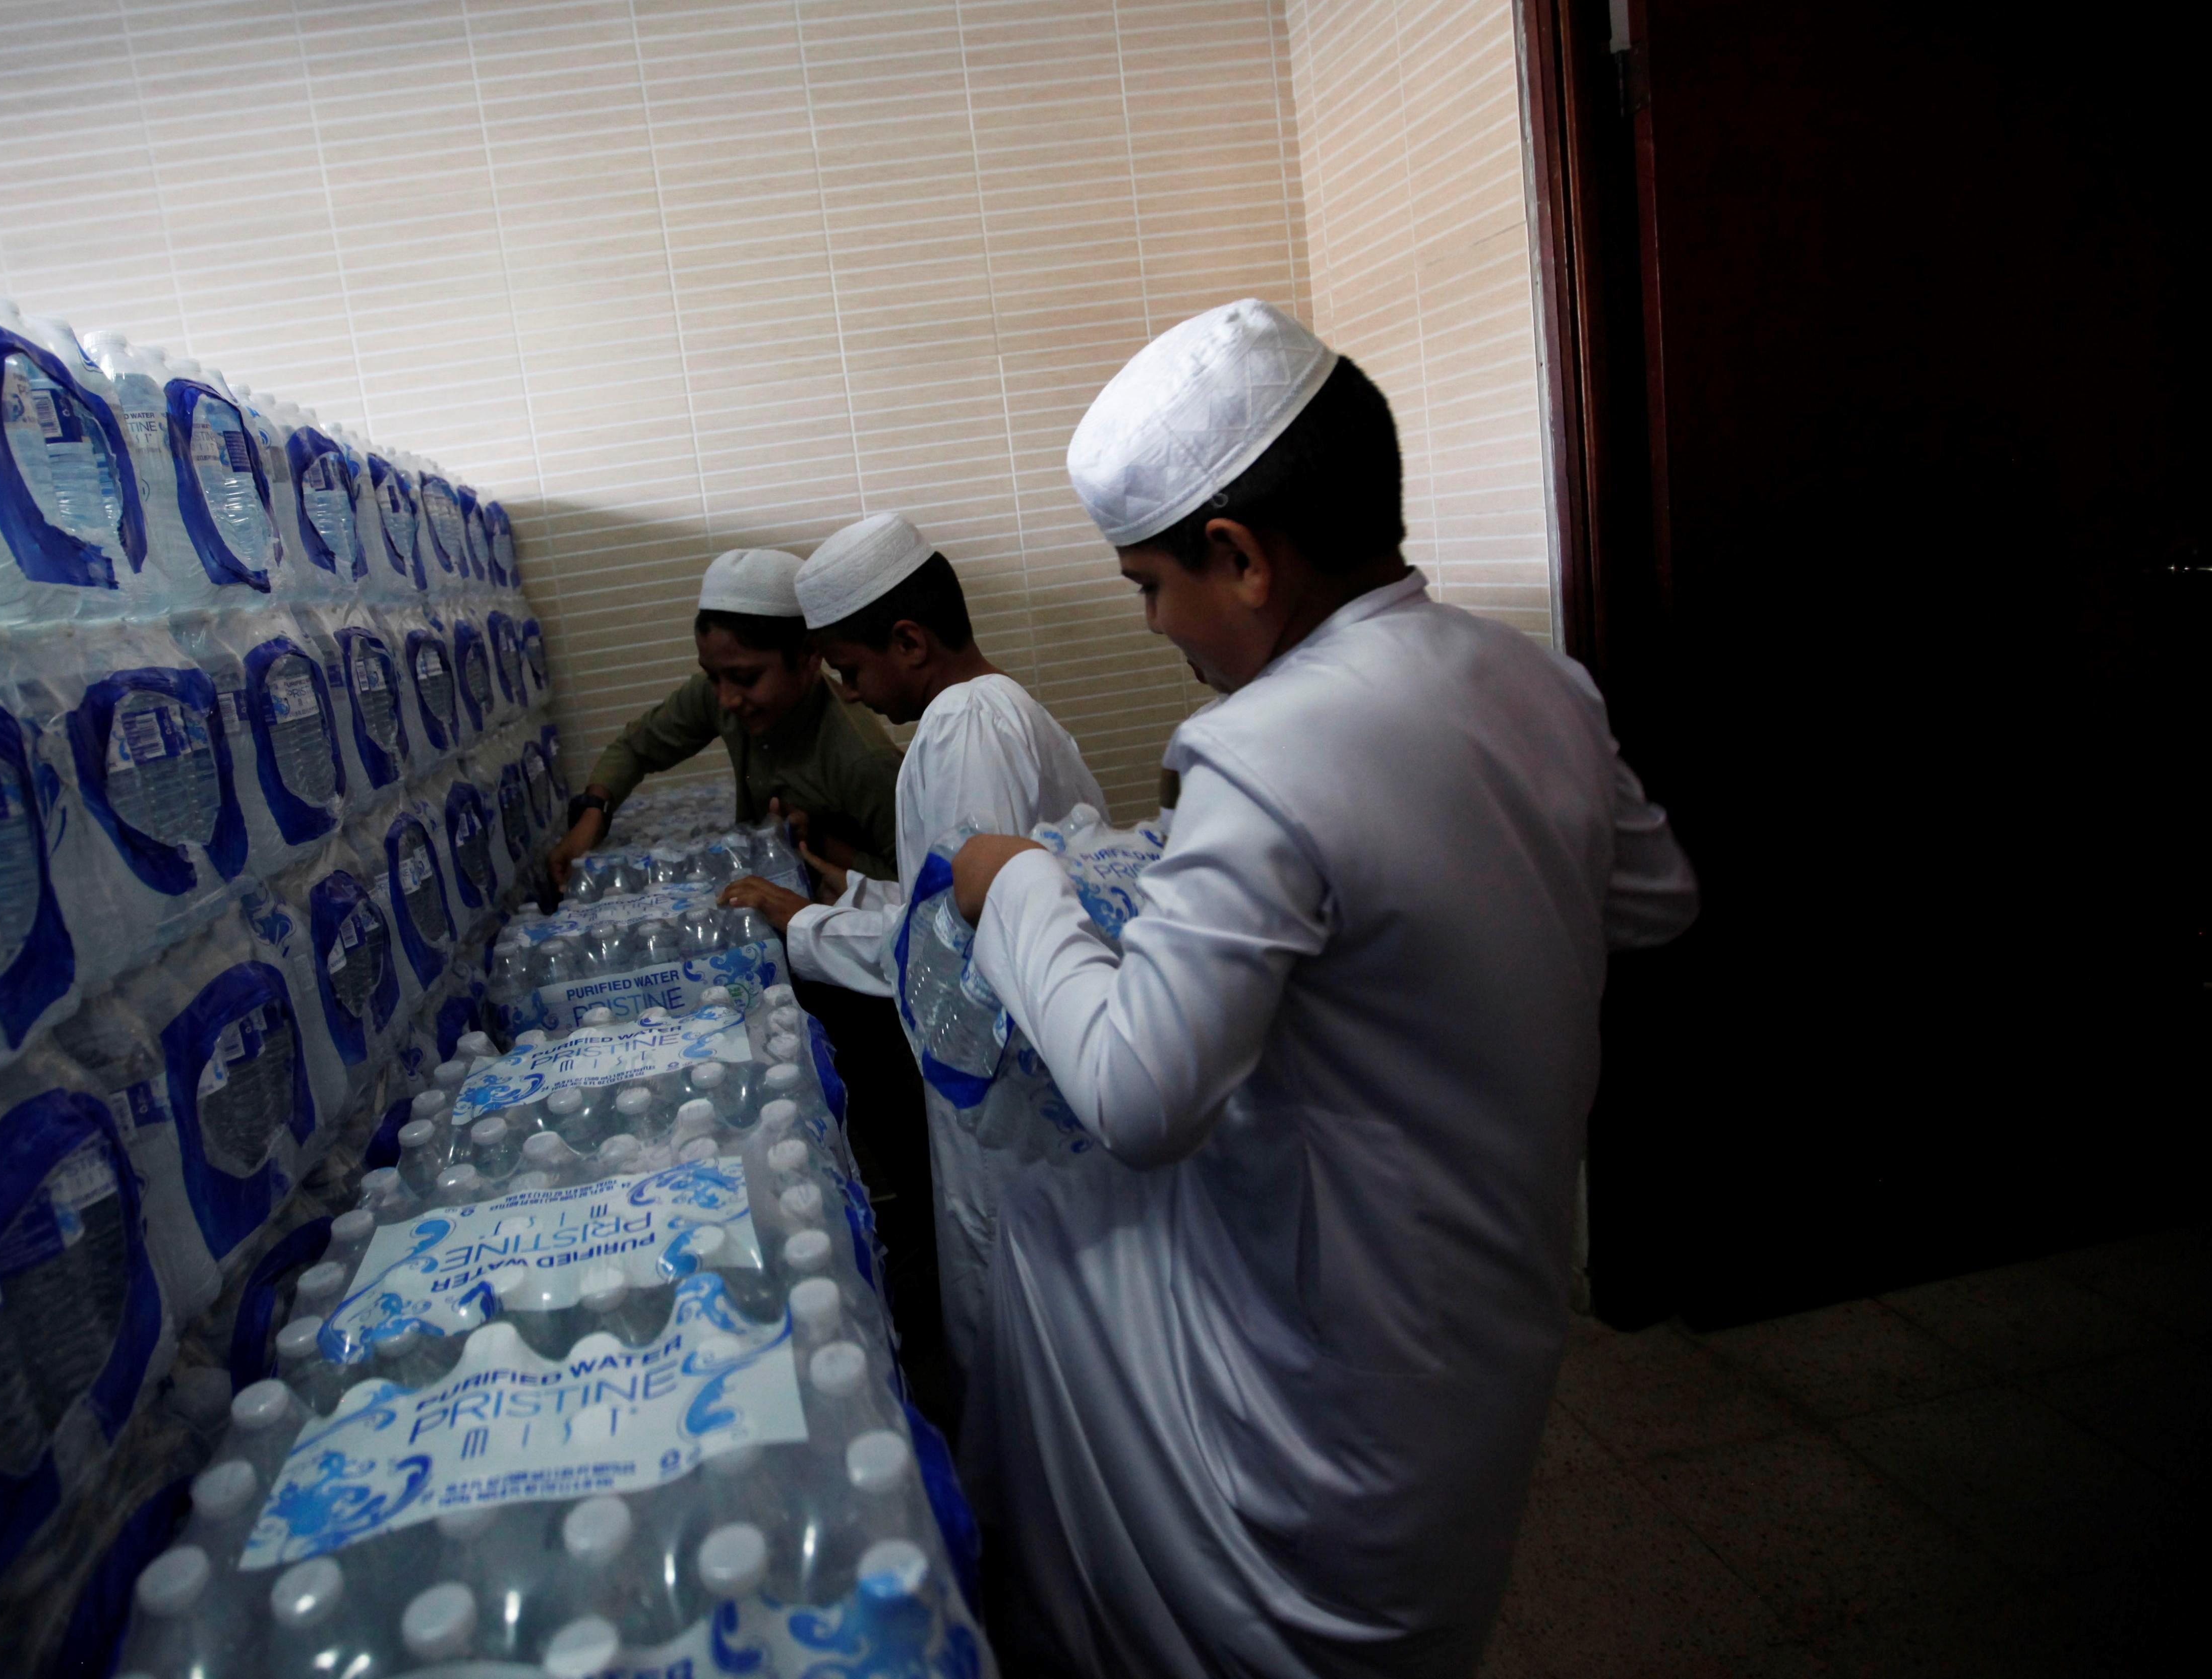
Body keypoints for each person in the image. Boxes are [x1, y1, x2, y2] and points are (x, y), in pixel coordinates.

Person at [944, 298, 1698, 1678]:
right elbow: (1653, 898)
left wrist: (1023, 892)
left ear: (1235, 559)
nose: (1157, 628)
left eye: (1146, 588)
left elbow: (1134, 1093)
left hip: (1330, 1359)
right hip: (1489, 1314)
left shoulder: (1259, 749)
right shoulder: (1540, 683)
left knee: (1050, 1246)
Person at [719, 512, 1106, 1391]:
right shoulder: (983, 713)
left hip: (1011, 1102)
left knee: (1027, 1335)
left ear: (909, 640)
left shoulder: (967, 722)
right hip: (999, 1088)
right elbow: (949, 893)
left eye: (851, 670)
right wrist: (842, 888)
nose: (848, 694)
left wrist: (804, 925)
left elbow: (969, 939)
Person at [548, 547, 902, 892]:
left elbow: (913, 884)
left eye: (746, 679)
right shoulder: (719, 693)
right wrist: (593, 816)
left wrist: (823, 844)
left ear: (809, 656)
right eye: (713, 677)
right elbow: (636, 748)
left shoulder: (862, 759)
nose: (727, 699)